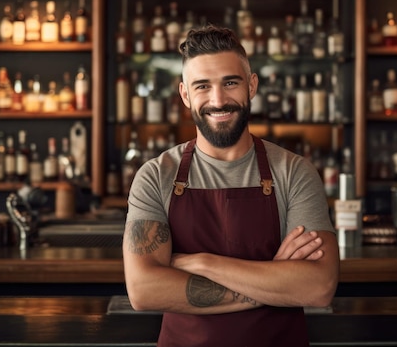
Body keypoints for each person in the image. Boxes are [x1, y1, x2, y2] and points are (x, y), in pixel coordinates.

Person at [122, 24, 339, 347]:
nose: (218, 100)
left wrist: (202, 262)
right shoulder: (156, 176)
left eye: (230, 82)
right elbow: (144, 291)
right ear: (185, 94)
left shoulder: (294, 172)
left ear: (252, 86)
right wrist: (273, 283)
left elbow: (318, 287)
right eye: (202, 86)